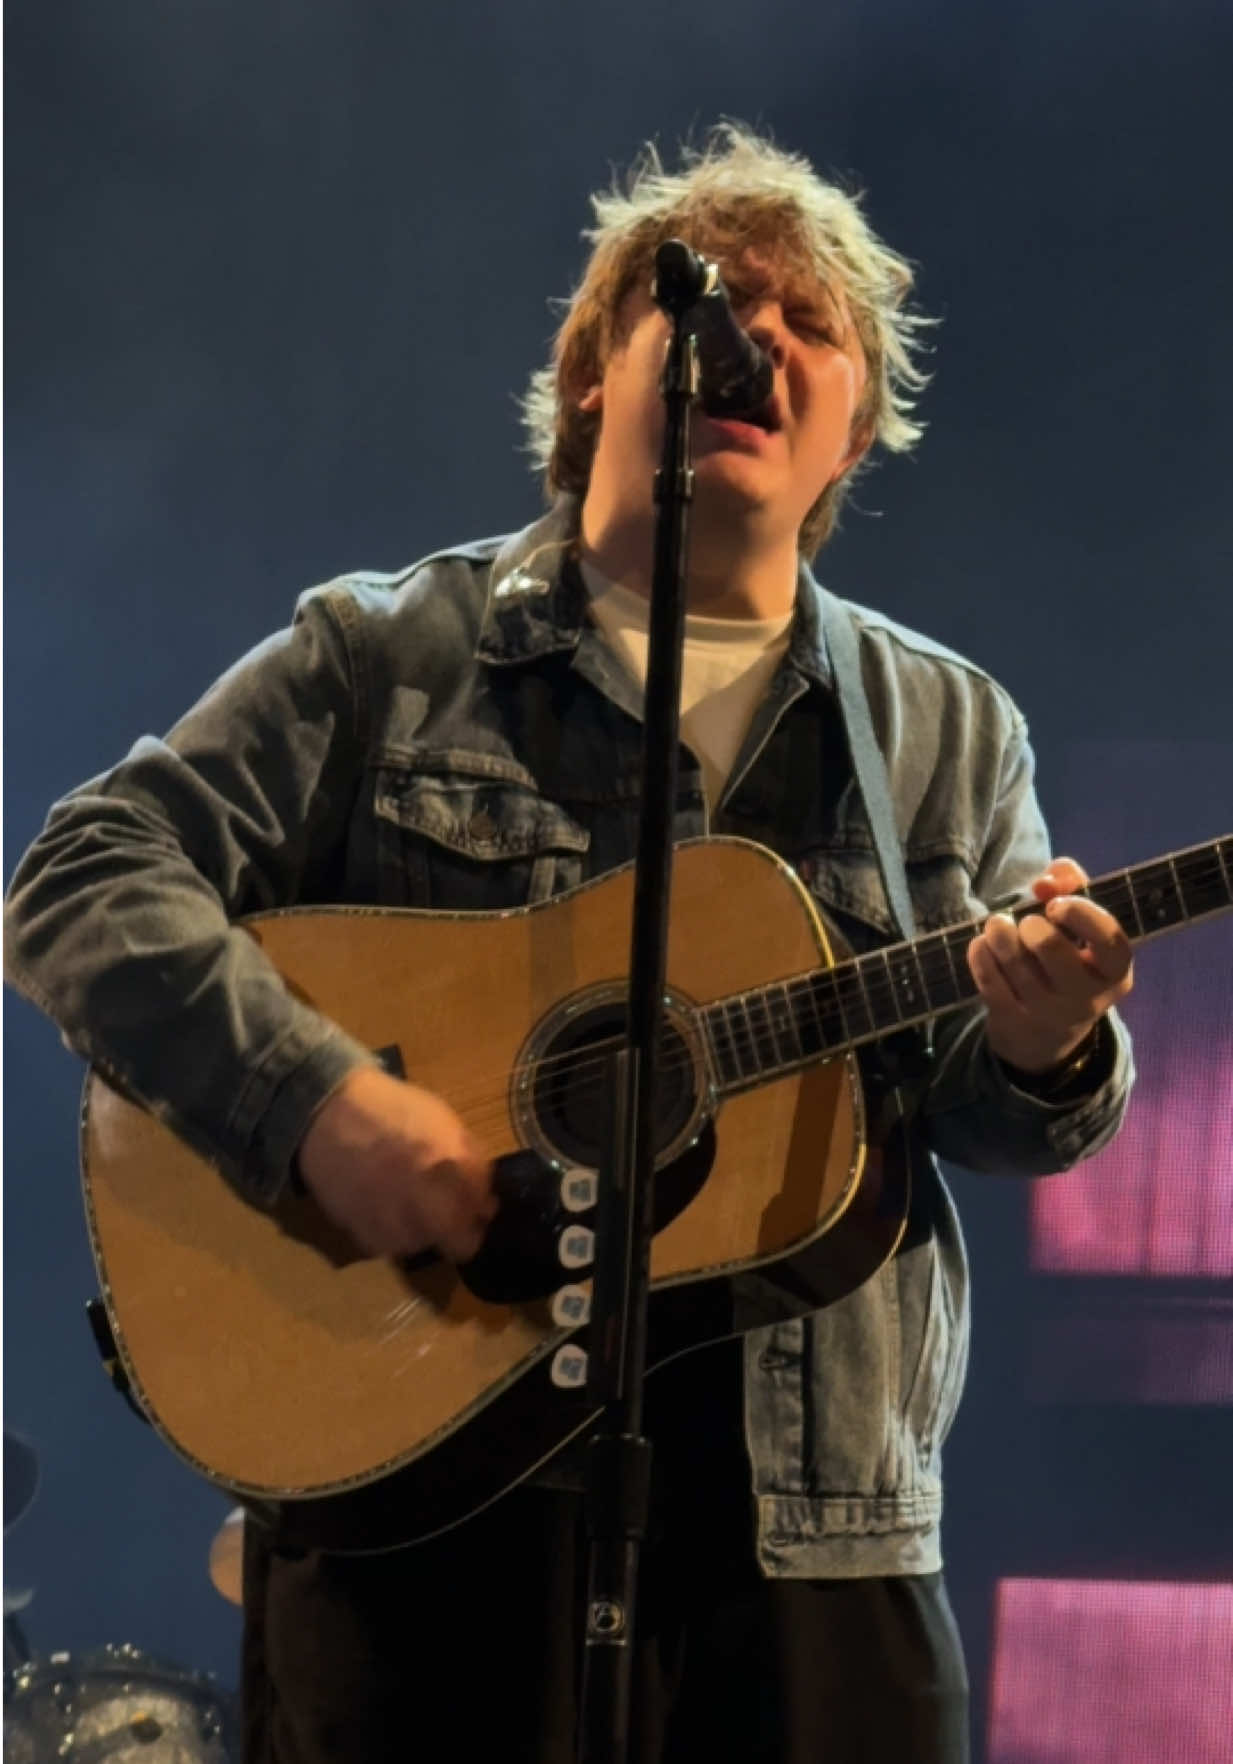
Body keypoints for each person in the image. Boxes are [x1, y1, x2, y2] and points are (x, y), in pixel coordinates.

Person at [5, 124, 1135, 1763]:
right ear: (596, 368)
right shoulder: (382, 657)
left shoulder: (944, 728)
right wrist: (312, 1100)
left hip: (808, 1539)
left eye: (811, 325)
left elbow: (987, 1097)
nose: (760, 335)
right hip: (418, 1513)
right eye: (716, 298)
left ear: (847, 444)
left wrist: (1048, 1035)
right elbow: (84, 868)